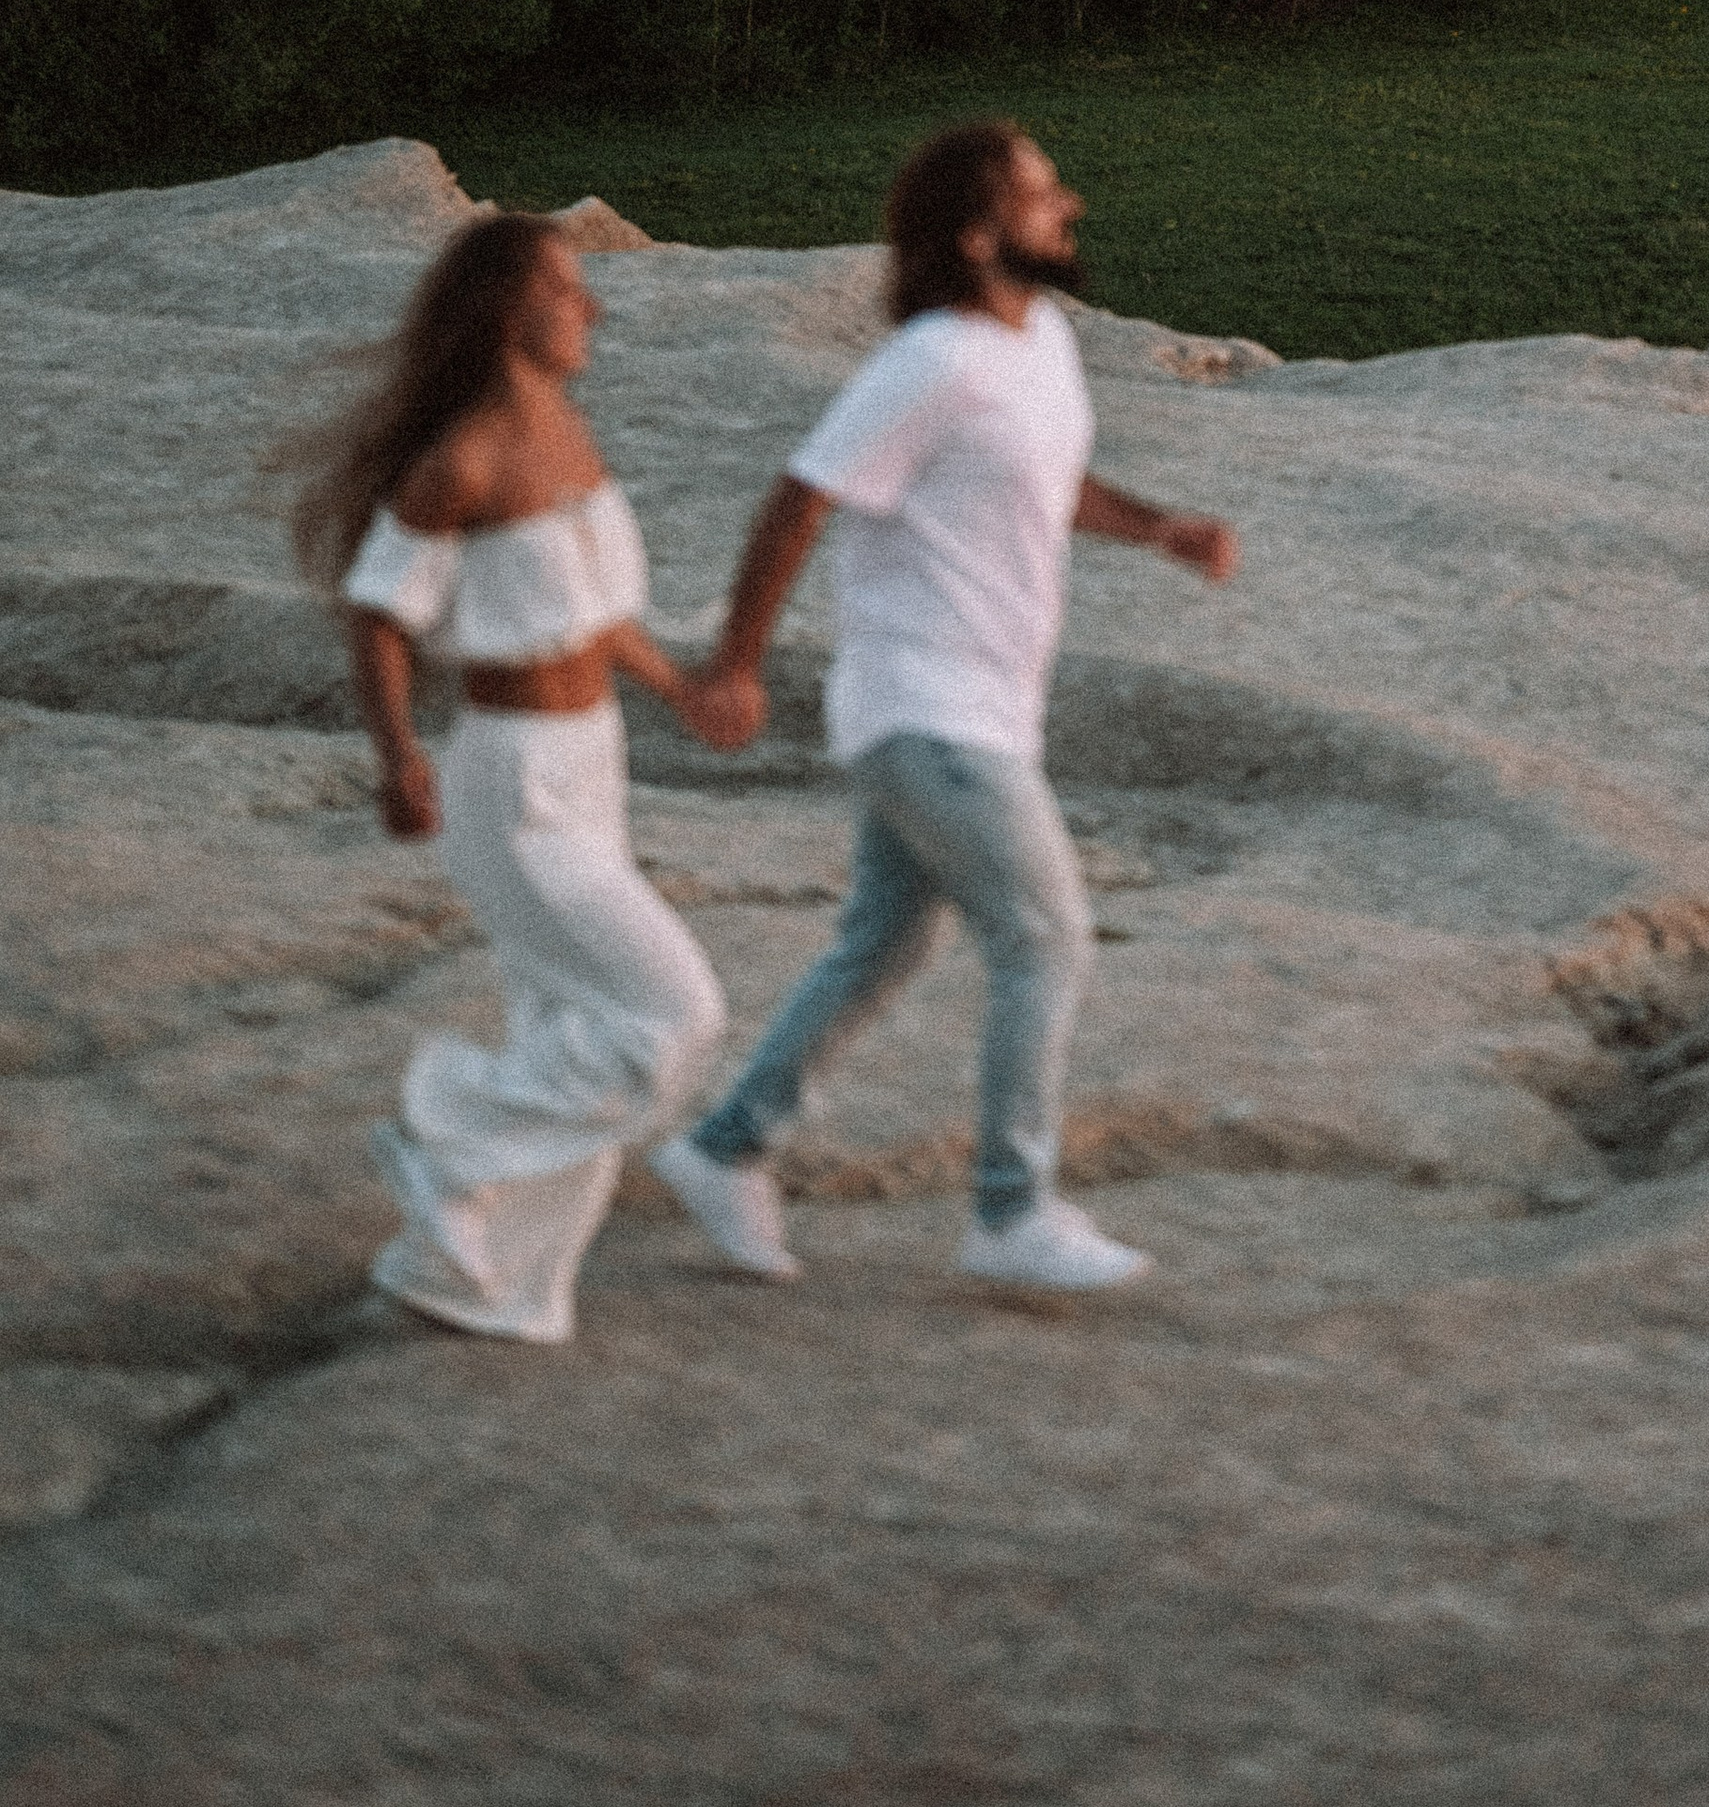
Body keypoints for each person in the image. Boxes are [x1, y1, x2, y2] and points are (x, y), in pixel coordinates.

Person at [653, 120, 1239, 1296]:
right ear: (978, 236)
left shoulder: (1040, 344)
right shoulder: (931, 360)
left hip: (980, 705)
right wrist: (733, 664)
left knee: (884, 937)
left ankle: (726, 1148)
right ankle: (1011, 1210)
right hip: (925, 706)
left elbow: (1047, 478)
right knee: (1046, 935)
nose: (1067, 202)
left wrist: (1159, 526)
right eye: (1038, 193)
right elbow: (801, 496)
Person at [291, 211, 749, 1345]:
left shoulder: (565, 426)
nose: (590, 307)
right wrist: (397, 754)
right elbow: (381, 613)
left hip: (594, 764)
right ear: (508, 310)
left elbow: (595, 613)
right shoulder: (465, 460)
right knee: (674, 1011)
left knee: (571, 1026)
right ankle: (445, 1138)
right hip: (514, 786)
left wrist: (680, 686)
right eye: (566, 289)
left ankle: (478, 1274)